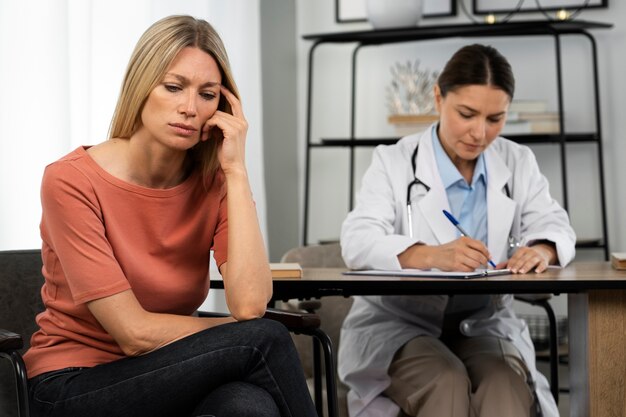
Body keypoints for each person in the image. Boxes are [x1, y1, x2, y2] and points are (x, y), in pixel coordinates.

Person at [23, 15, 316, 417]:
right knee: (265, 339)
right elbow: (133, 334)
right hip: (73, 385)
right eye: (174, 87)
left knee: (248, 406)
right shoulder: (71, 181)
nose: (189, 109)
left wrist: (236, 171)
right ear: (141, 86)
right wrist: (243, 336)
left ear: (224, 105)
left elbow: (249, 306)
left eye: (208, 94)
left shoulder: (216, 183)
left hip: (170, 371)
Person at [339, 44, 575, 417]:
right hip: (400, 324)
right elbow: (357, 241)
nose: (480, 133)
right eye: (466, 114)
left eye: (495, 119)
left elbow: (555, 225)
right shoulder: (394, 161)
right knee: (445, 380)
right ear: (438, 97)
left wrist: (542, 248)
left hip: (485, 323)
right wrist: (434, 255)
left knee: (505, 385)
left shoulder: (517, 161)